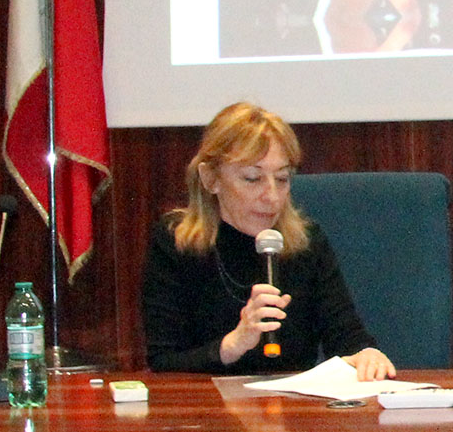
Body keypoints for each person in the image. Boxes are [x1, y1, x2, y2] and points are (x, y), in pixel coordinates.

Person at [141, 102, 395, 381]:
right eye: (253, 179)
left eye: (282, 179)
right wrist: (232, 345)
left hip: (293, 402)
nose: (272, 197)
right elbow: (164, 362)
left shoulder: (306, 243)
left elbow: (348, 338)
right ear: (210, 178)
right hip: (207, 404)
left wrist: (366, 354)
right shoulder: (176, 243)